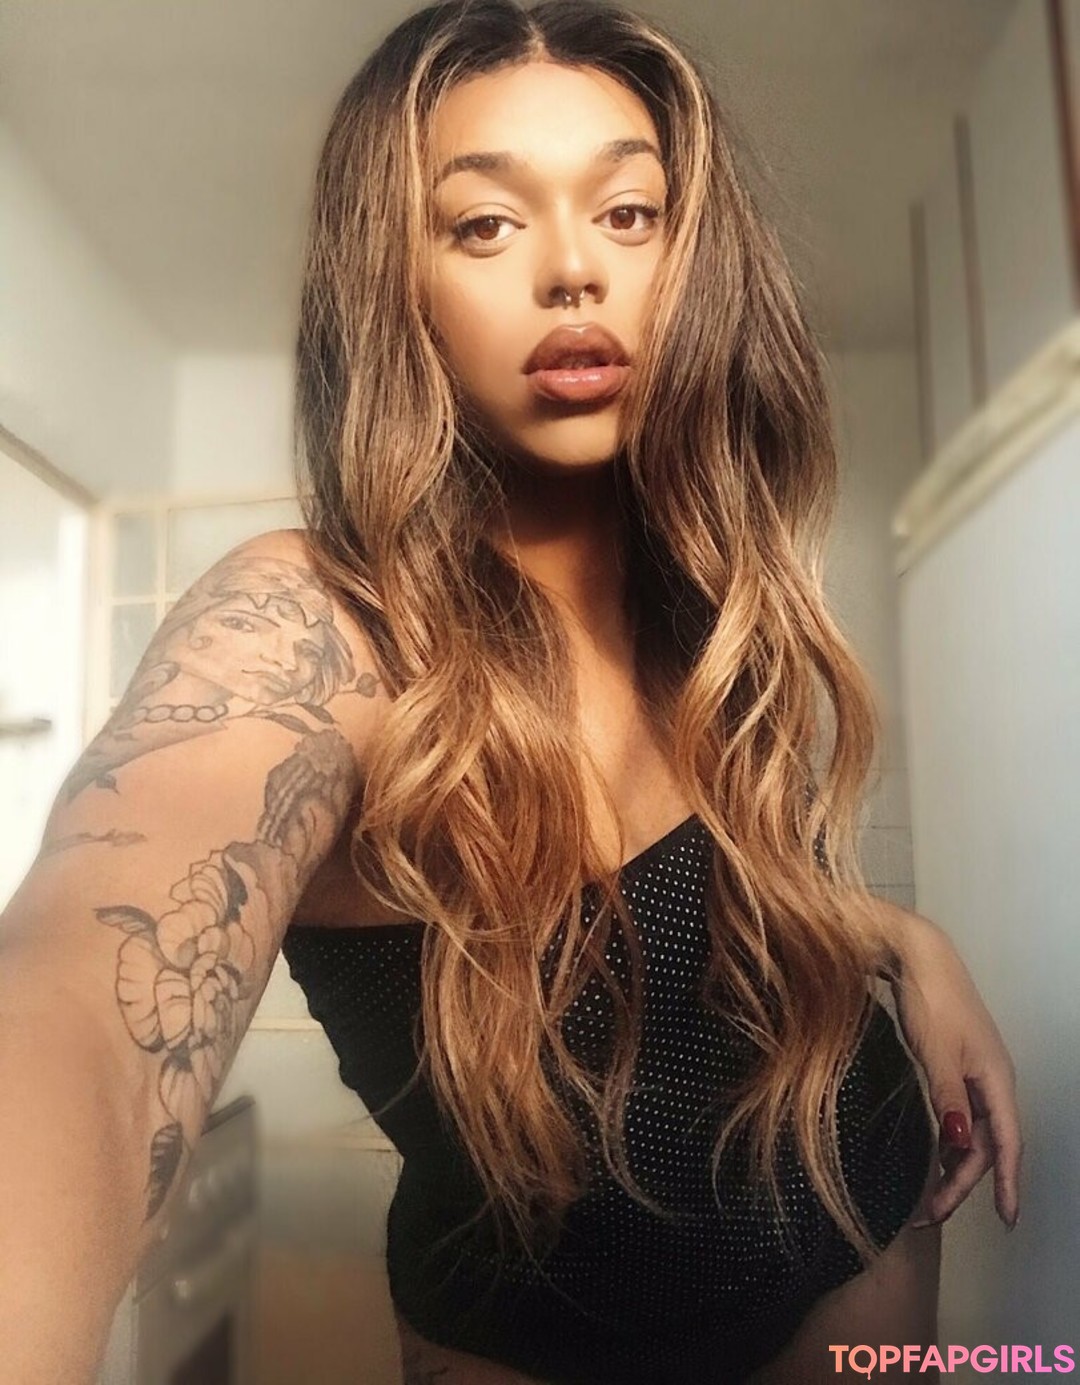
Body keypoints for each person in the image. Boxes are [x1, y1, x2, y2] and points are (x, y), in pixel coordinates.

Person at [0, 2, 1022, 1382]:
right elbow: (79, 1010)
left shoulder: (704, 592)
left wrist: (903, 940)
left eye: (630, 213)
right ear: (395, 283)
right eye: (485, 224)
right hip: (517, 1335)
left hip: (859, 1217)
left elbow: (692, 905)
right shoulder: (316, 627)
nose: (573, 269)